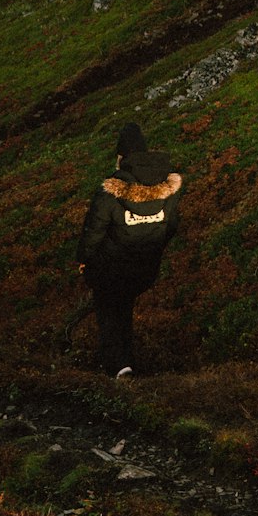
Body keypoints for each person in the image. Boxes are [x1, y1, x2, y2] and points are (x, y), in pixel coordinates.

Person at [76, 123, 181, 378]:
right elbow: (171, 226)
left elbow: (93, 233)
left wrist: (83, 261)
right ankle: (128, 361)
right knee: (124, 307)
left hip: (111, 268)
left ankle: (119, 368)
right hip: (145, 268)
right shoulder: (168, 189)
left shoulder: (110, 192)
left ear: (121, 158)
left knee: (109, 310)